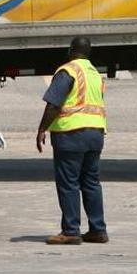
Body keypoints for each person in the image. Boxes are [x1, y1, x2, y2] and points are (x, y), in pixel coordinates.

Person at [37, 36, 109, 245]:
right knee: (91, 183)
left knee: (68, 183)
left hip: (71, 134)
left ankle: (70, 230)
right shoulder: (95, 74)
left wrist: (42, 128)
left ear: (71, 51)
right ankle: (98, 229)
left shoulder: (67, 71)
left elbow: (54, 104)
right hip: (95, 133)